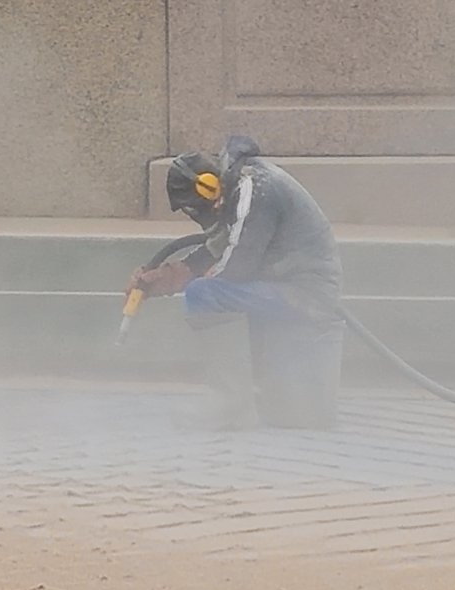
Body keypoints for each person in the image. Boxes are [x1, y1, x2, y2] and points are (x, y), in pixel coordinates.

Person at [129, 136, 344, 430]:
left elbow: (237, 268)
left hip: (306, 295)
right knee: (212, 292)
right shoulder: (242, 186)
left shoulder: (255, 189)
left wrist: (187, 282)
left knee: (204, 295)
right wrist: (165, 279)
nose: (197, 217)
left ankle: (230, 405)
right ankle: (255, 395)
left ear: (208, 187)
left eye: (193, 209)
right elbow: (218, 249)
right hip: (294, 291)